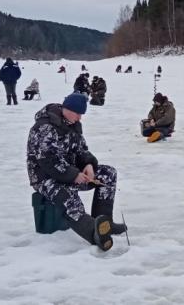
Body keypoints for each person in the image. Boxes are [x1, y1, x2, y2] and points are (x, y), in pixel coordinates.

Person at [27, 93, 125, 251]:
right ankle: (94, 232)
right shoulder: (44, 127)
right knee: (69, 197)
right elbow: (47, 160)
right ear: (67, 109)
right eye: (78, 113)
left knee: (108, 174)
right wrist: (73, 175)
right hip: (44, 177)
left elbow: (81, 150)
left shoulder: (73, 124)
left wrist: (88, 165)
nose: (80, 118)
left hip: (69, 172)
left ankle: (105, 223)